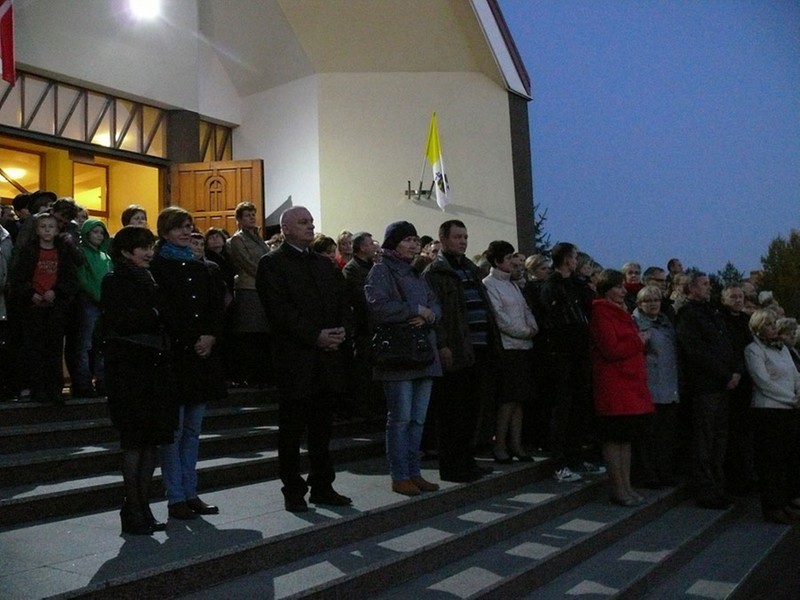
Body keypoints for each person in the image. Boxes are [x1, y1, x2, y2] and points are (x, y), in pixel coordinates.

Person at [256, 206, 352, 512]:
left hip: (327, 359)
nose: (310, 226)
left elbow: (342, 301)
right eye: (303, 222)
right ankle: (293, 489)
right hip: (295, 360)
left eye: (311, 221)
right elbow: (278, 311)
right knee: (292, 431)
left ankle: (323, 485)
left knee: (322, 430)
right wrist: (315, 336)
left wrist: (340, 331)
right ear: (285, 228)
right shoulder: (272, 264)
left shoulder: (324, 264)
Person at [150, 207, 226, 520]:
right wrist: (190, 338)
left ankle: (191, 491)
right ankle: (175, 495)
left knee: (193, 430)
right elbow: (163, 310)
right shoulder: (157, 266)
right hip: (175, 356)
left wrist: (210, 336)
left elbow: (214, 306)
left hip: (200, 355)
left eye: (188, 226)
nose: (186, 232)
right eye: (179, 227)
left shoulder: (201, 266)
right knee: (175, 430)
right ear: (165, 231)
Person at [101, 225, 176, 535]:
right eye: (143, 247)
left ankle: (143, 506)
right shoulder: (114, 280)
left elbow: (167, 314)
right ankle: (132, 508)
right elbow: (123, 320)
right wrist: (156, 314)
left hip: (153, 367)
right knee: (134, 441)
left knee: (150, 441)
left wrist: (158, 313)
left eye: (150, 246)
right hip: (128, 370)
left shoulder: (152, 278)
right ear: (125, 252)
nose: (149, 253)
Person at [365, 221, 442, 496]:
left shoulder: (416, 272)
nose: (414, 245)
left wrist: (429, 314)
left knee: (418, 420)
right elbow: (378, 306)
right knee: (400, 419)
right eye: (407, 239)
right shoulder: (381, 270)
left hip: (423, 353)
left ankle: (414, 471)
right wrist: (416, 310)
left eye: (415, 240)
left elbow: (435, 304)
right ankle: (400, 475)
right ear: (393, 243)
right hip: (399, 356)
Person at [424, 219, 499, 483]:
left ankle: (468, 461)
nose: (463, 241)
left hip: (479, 349)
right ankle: (452, 467)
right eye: (457, 237)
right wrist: (442, 344)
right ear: (443, 239)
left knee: (471, 411)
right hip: (455, 350)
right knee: (452, 412)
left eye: (465, 237)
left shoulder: (470, 269)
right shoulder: (435, 273)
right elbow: (437, 314)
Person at [676, 271, 742, 509]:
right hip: (705, 387)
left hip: (722, 385)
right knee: (704, 440)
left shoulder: (711, 312)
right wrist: (725, 374)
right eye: (704, 284)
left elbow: (727, 344)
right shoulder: (688, 314)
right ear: (691, 288)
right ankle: (706, 490)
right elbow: (696, 352)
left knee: (718, 439)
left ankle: (718, 486)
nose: (709, 287)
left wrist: (736, 371)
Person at [535, 242, 600, 482]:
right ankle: (559, 462)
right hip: (561, 353)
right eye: (574, 256)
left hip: (579, 353)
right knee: (562, 408)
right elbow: (553, 317)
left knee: (578, 407)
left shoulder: (576, 284)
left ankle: (575, 456)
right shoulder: (551, 285)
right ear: (565, 259)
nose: (576, 260)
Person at [591, 270, 654, 506]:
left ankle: (626, 486)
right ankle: (618, 488)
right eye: (618, 287)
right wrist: (638, 340)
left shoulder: (620, 312)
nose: (623, 291)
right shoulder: (601, 313)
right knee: (614, 439)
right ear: (607, 290)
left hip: (627, 383)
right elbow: (611, 349)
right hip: (614, 385)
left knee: (625, 440)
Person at [9, 212, 79, 405]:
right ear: (37, 230)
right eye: (43, 227)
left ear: (57, 230)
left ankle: (54, 389)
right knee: (35, 348)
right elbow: (19, 277)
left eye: (51, 227)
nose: (47, 230)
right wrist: (30, 293)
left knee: (54, 349)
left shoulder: (62, 251)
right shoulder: (29, 251)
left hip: (55, 307)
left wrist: (56, 292)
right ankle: (38, 389)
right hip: (33, 306)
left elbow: (70, 278)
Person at [482, 241, 538, 463]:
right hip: (508, 348)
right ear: (497, 261)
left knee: (520, 399)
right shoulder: (489, 284)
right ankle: (500, 445)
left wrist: (532, 327)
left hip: (524, 347)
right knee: (508, 399)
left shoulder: (513, 285)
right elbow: (499, 317)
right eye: (508, 258)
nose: (513, 262)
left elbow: (525, 309)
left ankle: (516, 443)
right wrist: (523, 331)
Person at [744, 309, 800, 524]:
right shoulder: (753, 350)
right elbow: (763, 381)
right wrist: (791, 398)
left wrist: (798, 394)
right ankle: (772, 506)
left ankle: (784, 501)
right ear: (758, 329)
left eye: (774, 324)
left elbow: (795, 374)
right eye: (768, 325)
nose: (774, 328)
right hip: (768, 410)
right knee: (771, 461)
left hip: (789, 410)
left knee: (787, 458)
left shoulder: (782, 348)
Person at [632, 285, 680, 487]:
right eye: (648, 301)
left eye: (656, 300)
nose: (653, 304)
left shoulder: (666, 323)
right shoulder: (636, 323)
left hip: (669, 386)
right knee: (649, 436)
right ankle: (648, 474)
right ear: (639, 304)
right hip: (650, 386)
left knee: (665, 435)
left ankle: (664, 472)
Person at [227, 201, 272, 387]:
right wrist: (267, 276)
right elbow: (247, 263)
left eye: (253, 214)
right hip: (248, 288)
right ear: (238, 219)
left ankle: (263, 374)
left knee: (263, 333)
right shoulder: (237, 240)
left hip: (262, 288)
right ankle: (250, 375)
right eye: (247, 215)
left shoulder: (258, 238)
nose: (252, 218)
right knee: (250, 332)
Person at [720, 284, 755, 496]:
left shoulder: (746, 321)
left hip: (746, 381)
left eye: (741, 296)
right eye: (733, 297)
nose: (738, 300)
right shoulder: (721, 320)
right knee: (732, 434)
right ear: (724, 299)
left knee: (744, 434)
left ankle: (745, 477)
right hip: (730, 381)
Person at [73, 218, 112, 397]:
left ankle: (102, 381)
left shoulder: (106, 256)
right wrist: (98, 296)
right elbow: (82, 279)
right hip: (88, 303)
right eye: (95, 232)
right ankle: (84, 383)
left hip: (104, 304)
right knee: (85, 344)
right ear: (86, 234)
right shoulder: (82, 254)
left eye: (101, 233)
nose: (99, 236)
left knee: (101, 345)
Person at [342, 231, 379, 417]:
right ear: (362, 247)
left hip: (376, 325)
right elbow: (359, 298)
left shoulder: (374, 266)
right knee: (363, 369)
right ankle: (362, 407)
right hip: (362, 326)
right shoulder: (352, 270)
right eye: (371, 243)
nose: (374, 246)